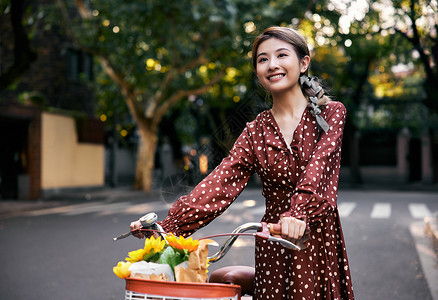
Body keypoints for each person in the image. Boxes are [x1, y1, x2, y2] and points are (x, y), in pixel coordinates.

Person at [130, 26, 355, 300]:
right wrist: (169, 226)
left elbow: (318, 174)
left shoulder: (331, 113)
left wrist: (298, 215)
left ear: (304, 62)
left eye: (281, 55)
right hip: (272, 243)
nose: (272, 65)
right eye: (262, 59)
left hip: (314, 239)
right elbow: (220, 182)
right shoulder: (256, 130)